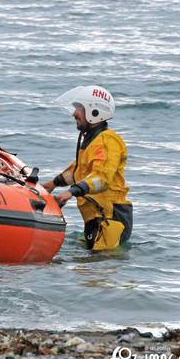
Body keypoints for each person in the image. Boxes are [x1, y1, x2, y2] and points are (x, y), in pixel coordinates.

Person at [42, 86, 132, 251]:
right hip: (97, 218)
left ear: (94, 111)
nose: (74, 113)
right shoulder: (92, 142)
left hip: (109, 219)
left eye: (79, 109)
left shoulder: (107, 141)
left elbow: (101, 179)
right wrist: (51, 185)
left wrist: (71, 192)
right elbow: (79, 170)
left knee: (98, 270)